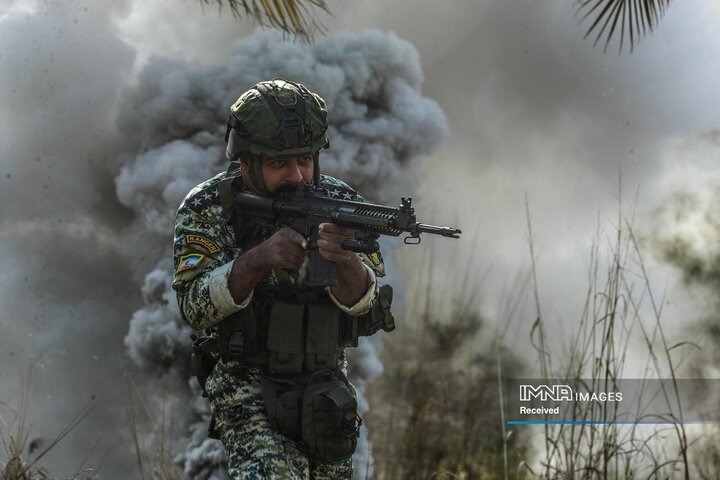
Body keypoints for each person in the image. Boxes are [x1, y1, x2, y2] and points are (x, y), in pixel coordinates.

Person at [172, 79, 393, 480]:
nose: (297, 176)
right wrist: (259, 259)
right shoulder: (209, 207)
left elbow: (371, 306)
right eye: (279, 163)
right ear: (245, 162)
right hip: (249, 390)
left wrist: (345, 263)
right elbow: (194, 306)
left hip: (326, 393)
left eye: (306, 160)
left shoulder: (340, 203)